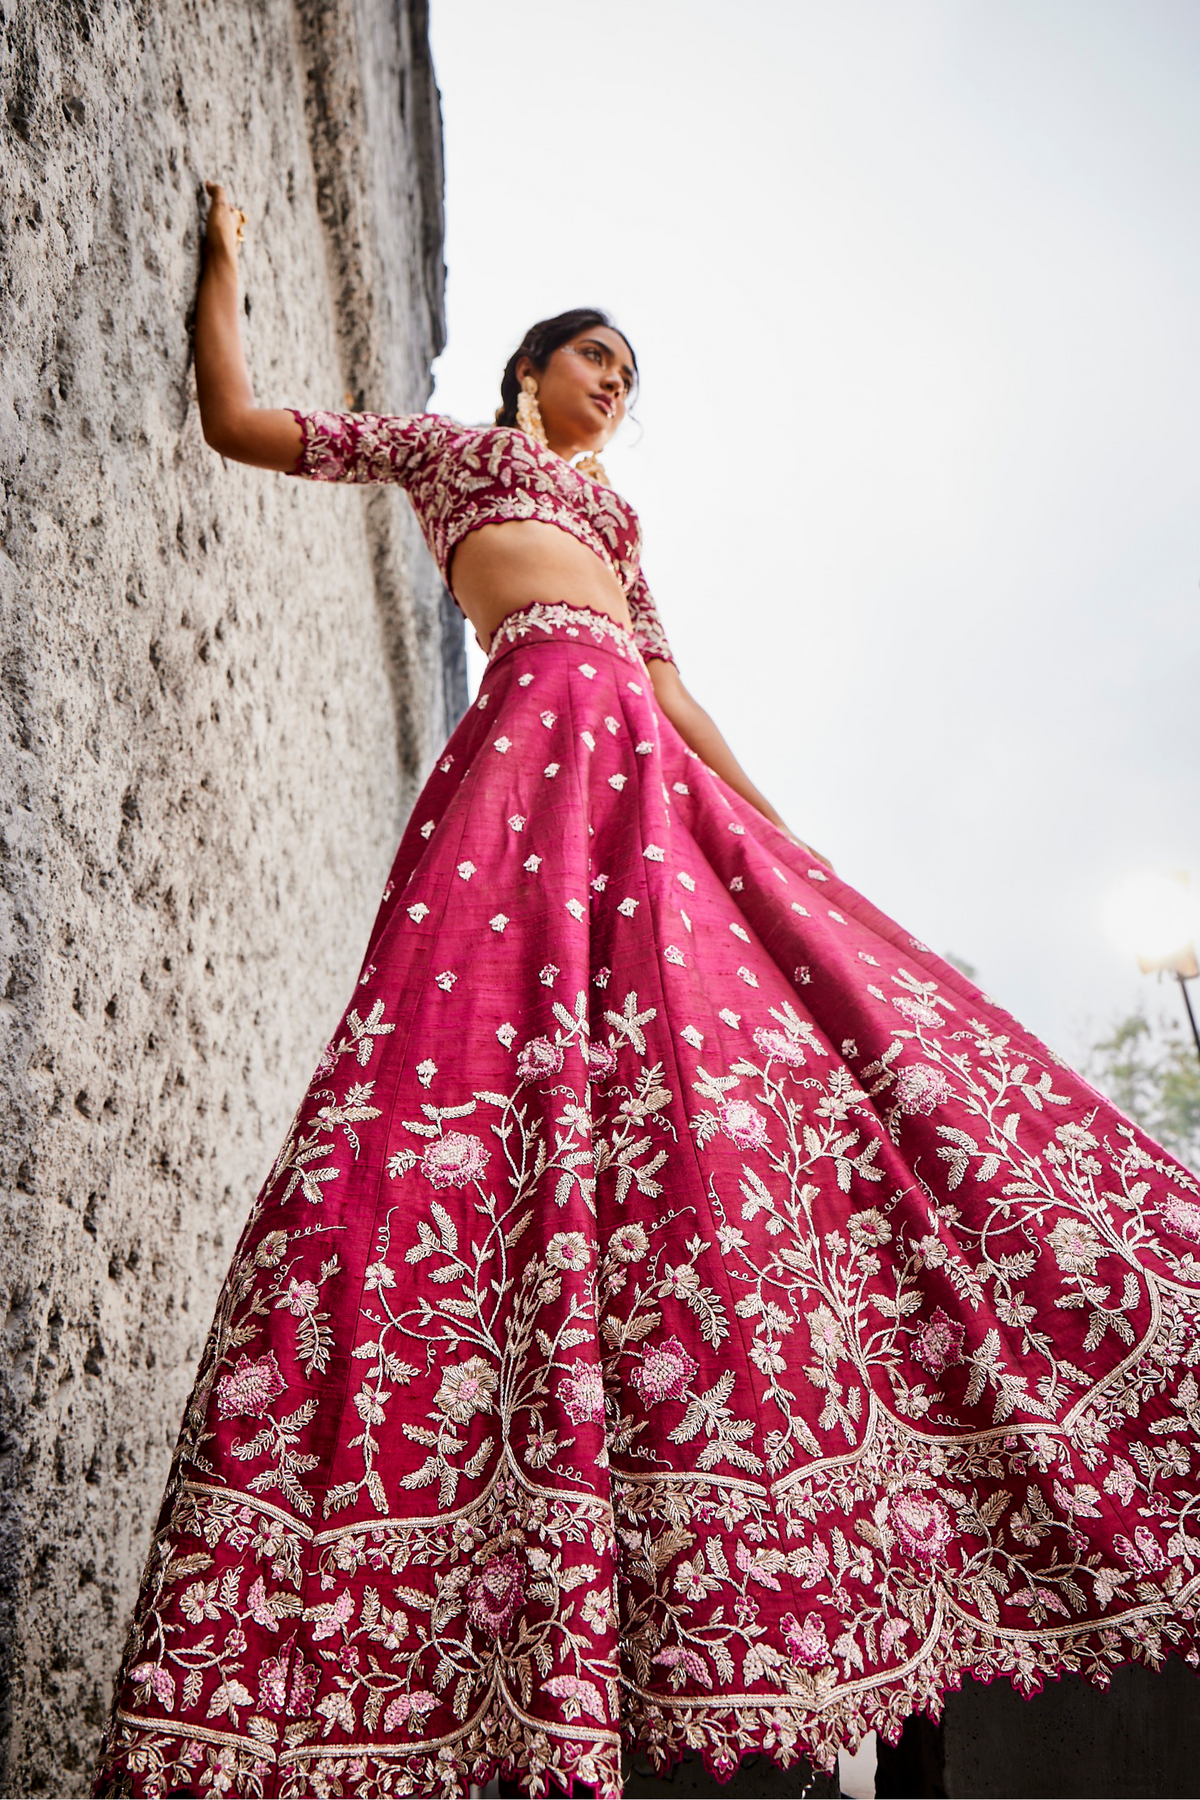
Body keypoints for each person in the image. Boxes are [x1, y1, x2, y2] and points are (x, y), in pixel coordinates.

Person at [96, 186, 1200, 1800]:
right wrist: (228, 267)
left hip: (639, 774)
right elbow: (248, 426)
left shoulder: (620, 526)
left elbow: (669, 681)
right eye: (596, 360)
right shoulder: (453, 457)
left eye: (632, 377)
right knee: (483, 1037)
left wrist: (767, 816)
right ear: (530, 369)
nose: (614, 388)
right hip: (528, 753)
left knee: (770, 1035)